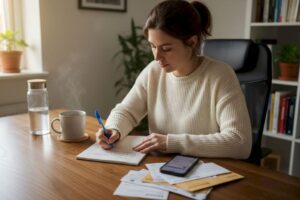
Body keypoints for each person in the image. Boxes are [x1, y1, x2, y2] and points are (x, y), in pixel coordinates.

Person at [97, 0, 252, 159]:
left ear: (192, 42)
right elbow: (126, 111)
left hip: (205, 172)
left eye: (166, 48)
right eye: (152, 46)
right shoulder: (153, 71)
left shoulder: (220, 75)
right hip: (159, 171)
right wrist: (114, 129)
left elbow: (240, 142)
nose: (157, 56)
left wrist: (171, 142)